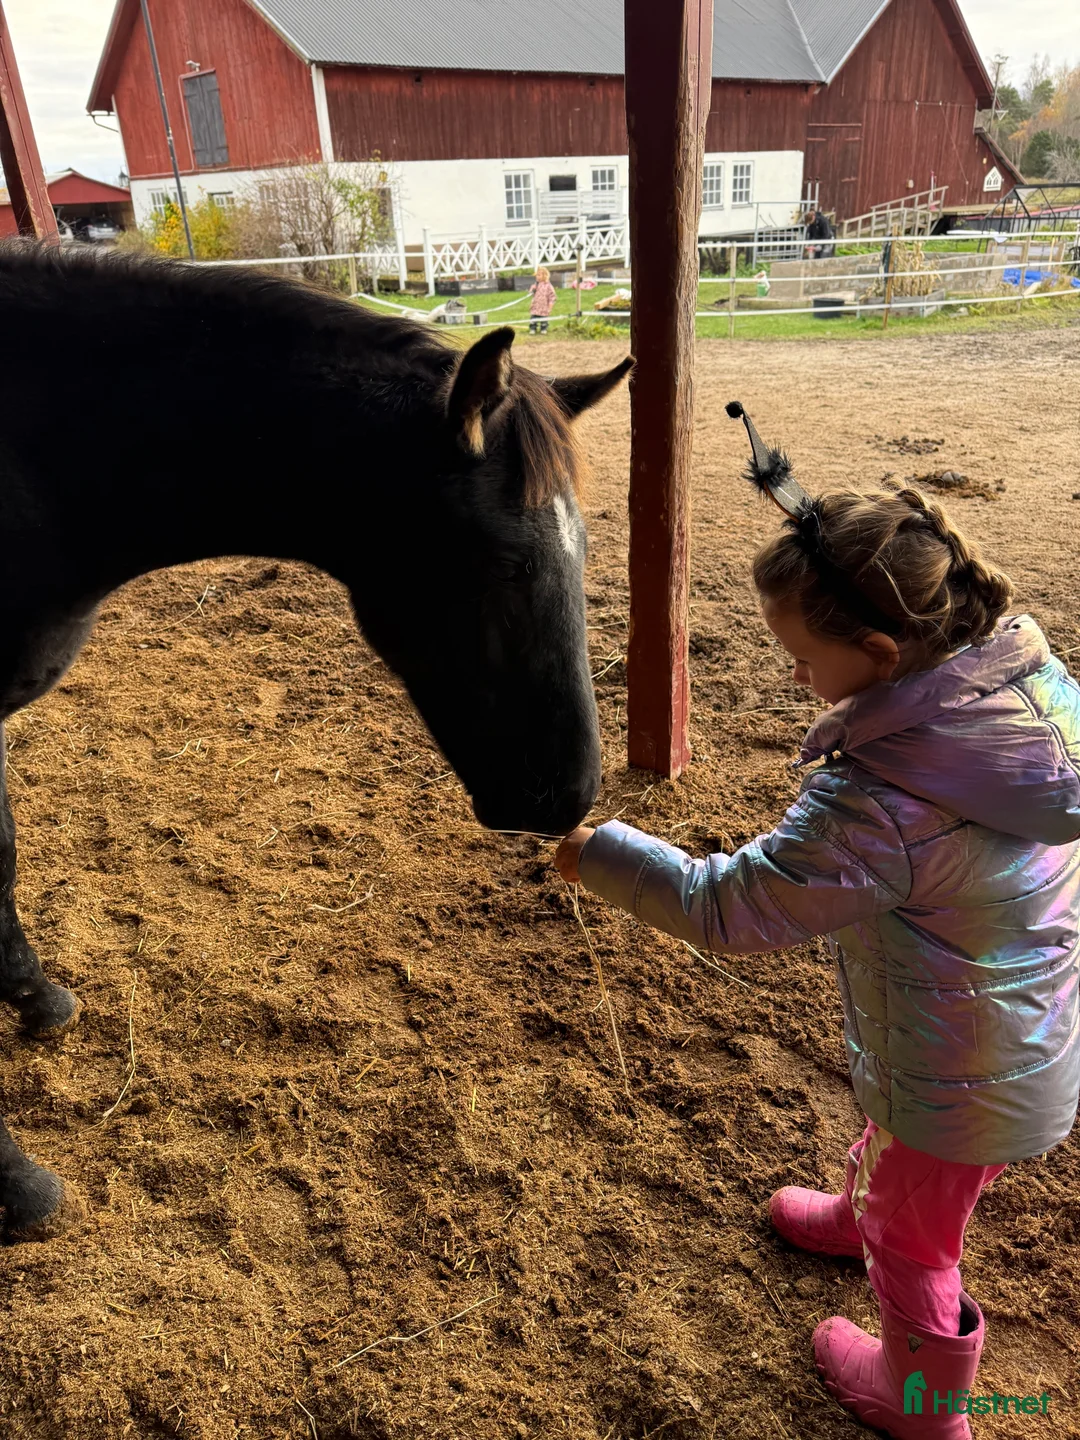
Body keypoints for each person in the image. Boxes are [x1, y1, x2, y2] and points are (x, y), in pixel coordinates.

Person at [555, 405, 1080, 1439]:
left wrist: (599, 851)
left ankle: (922, 1401)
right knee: (910, 1172)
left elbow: (731, 905)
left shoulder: (884, 799)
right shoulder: (1015, 698)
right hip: (1007, 1033)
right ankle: (860, 1214)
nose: (793, 676)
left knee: (916, 1235)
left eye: (800, 658)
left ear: (882, 655)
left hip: (964, 1068)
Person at [528, 266, 557, 334]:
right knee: (533, 318)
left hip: (544, 306)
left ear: (544, 276)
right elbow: (531, 292)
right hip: (536, 305)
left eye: (539, 275)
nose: (537, 277)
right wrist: (532, 290)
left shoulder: (548, 286)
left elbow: (552, 297)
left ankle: (543, 329)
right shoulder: (536, 284)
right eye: (536, 275)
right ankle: (533, 328)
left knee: (544, 319)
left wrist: (550, 306)